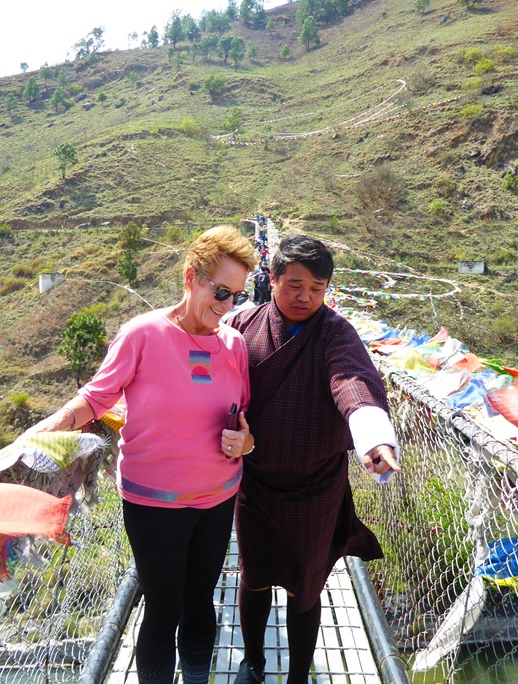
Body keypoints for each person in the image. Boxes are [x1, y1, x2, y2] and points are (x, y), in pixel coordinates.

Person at [24, 226, 258, 684]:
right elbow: (97, 398)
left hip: (218, 499)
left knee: (200, 602)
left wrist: (246, 443)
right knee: (163, 609)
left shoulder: (234, 345)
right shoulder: (142, 334)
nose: (228, 305)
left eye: (237, 296)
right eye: (221, 292)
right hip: (154, 504)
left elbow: (244, 415)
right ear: (190, 277)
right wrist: (51, 426)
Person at [227, 234, 400, 684]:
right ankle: (252, 662)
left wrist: (373, 438)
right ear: (272, 279)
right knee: (253, 574)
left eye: (317, 288)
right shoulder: (242, 325)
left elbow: (352, 380)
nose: (305, 297)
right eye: (294, 285)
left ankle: (298, 676)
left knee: (306, 587)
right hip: (255, 481)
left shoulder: (335, 333)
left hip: (316, 487)